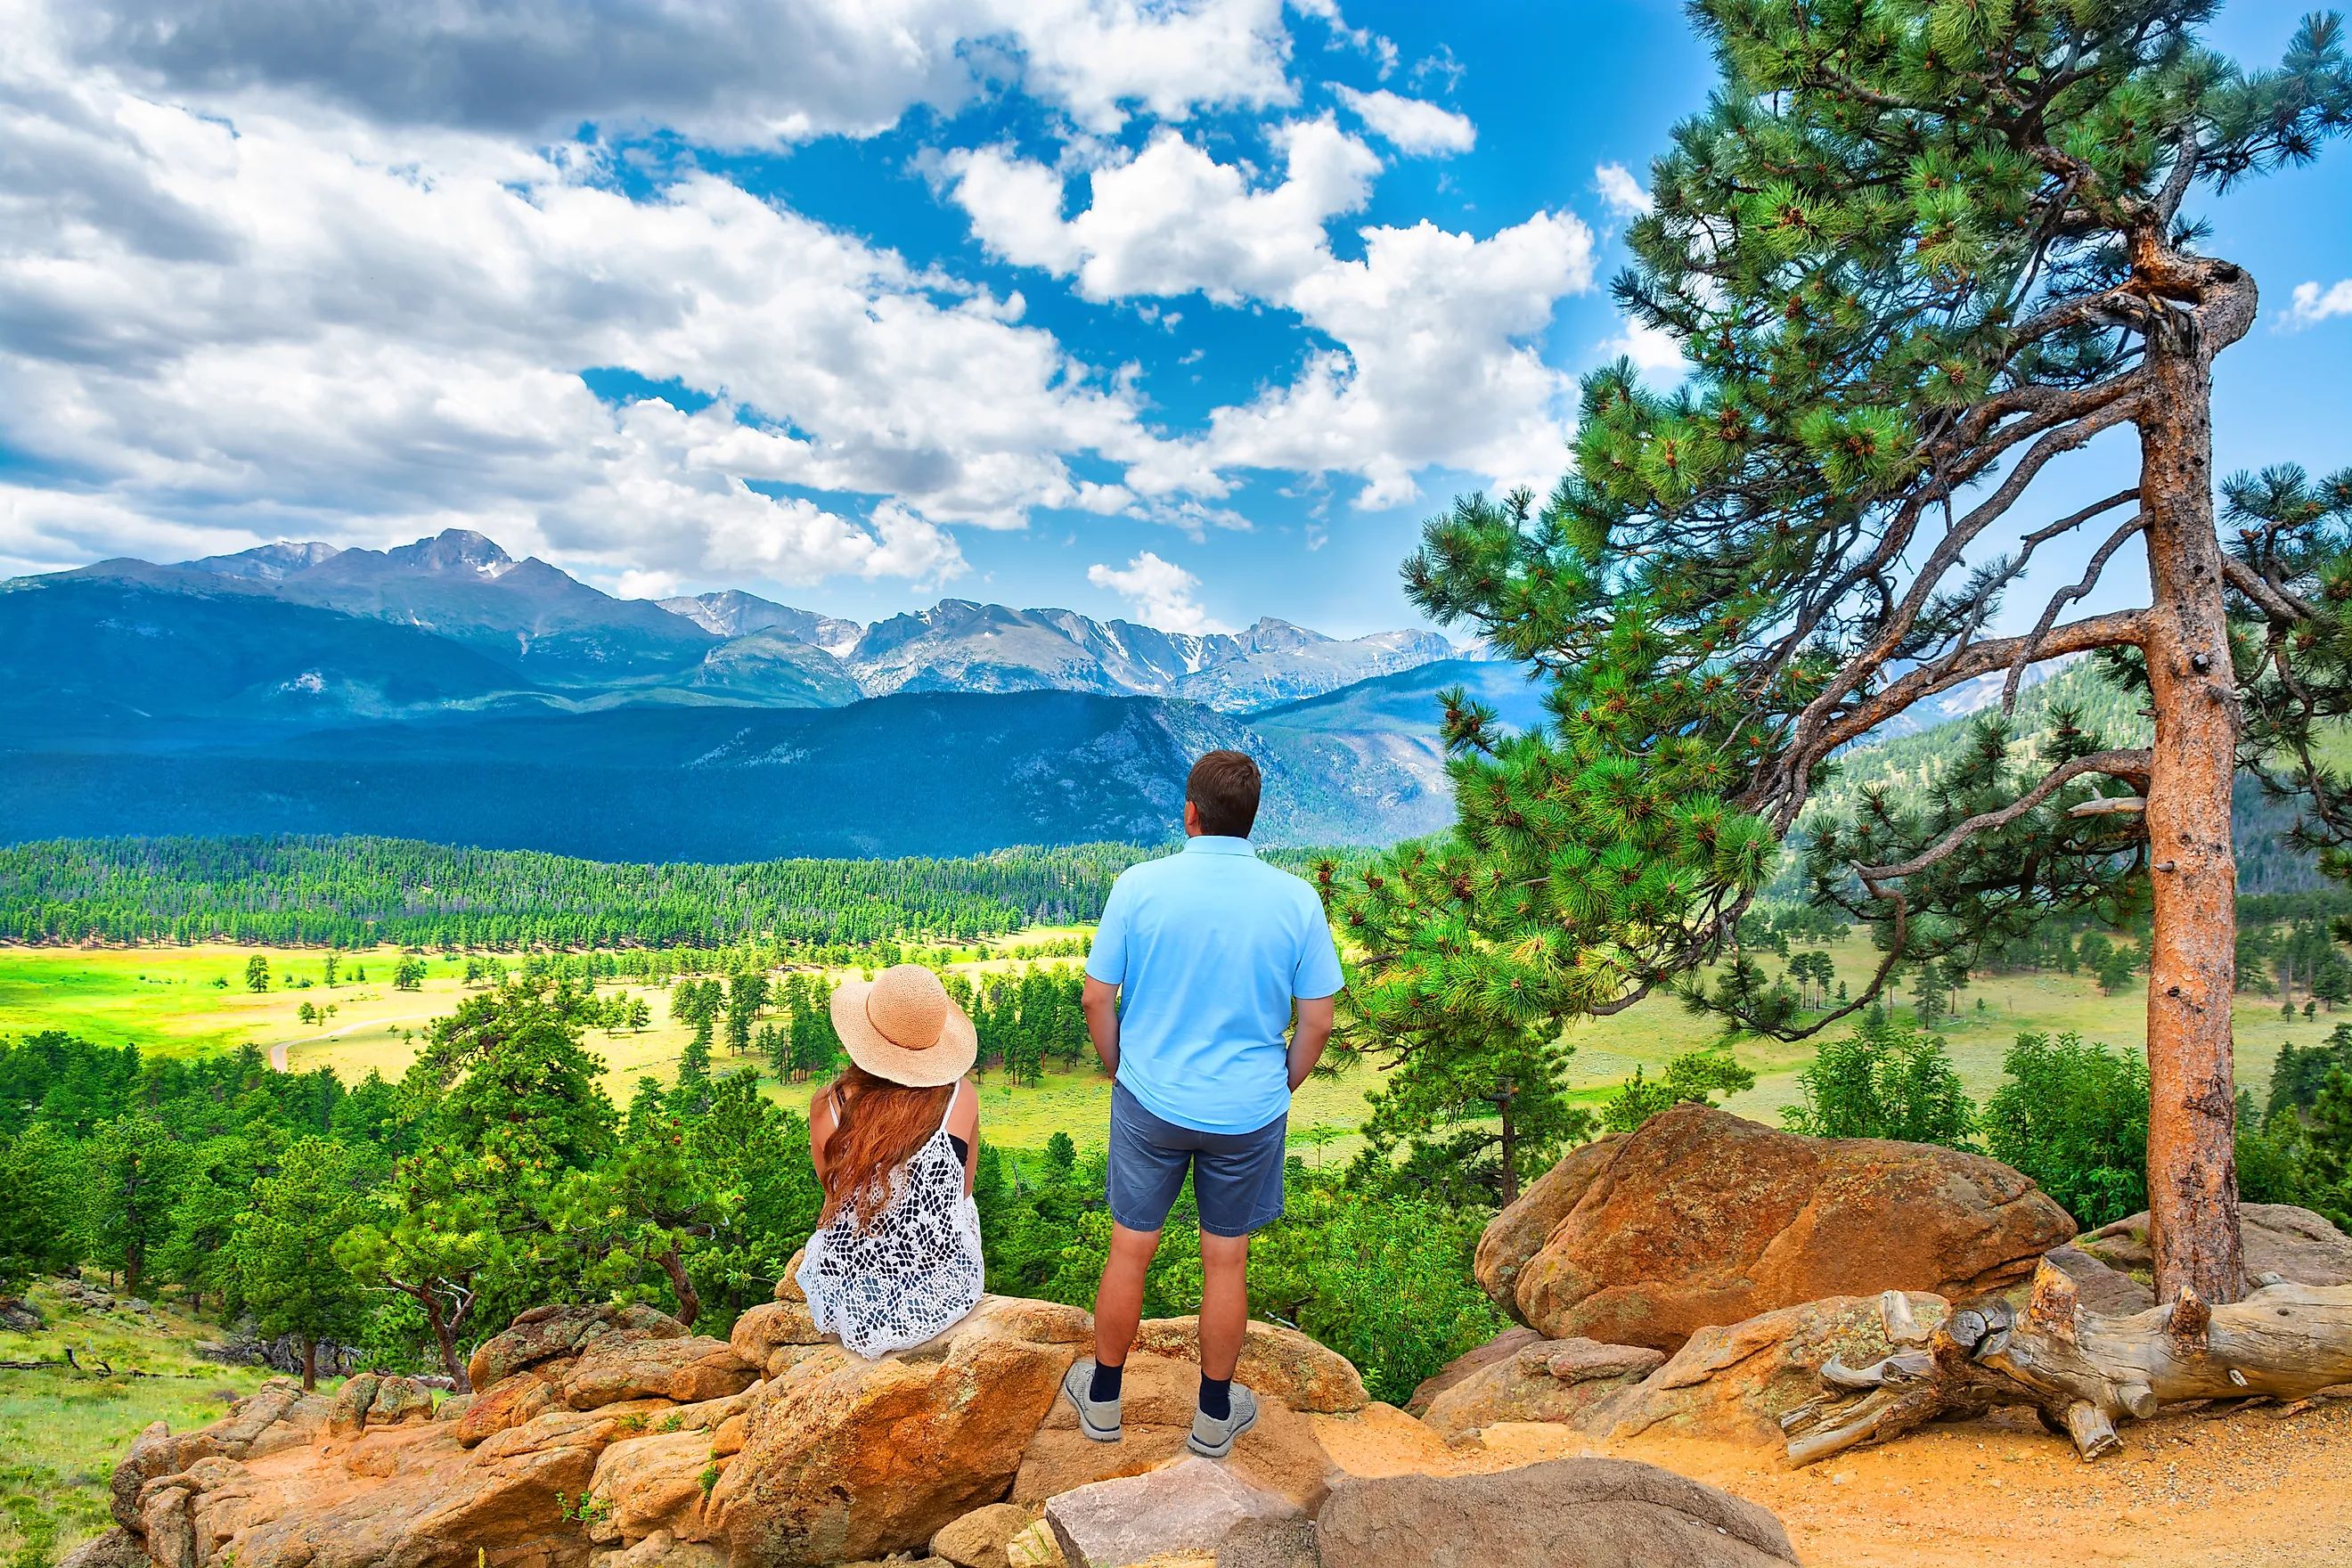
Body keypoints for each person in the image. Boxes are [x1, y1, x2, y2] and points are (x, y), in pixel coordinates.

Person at [1062, 749, 1343, 1458]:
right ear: (1252, 820)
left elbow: (1099, 996)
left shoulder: (1140, 885)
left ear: (1189, 813)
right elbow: (1318, 1020)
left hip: (1151, 1096)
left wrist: (1119, 1066)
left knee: (1132, 1247)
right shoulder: (1296, 899)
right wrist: (1282, 1085)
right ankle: (1214, 1417)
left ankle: (1102, 1401)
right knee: (1227, 1261)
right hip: (1248, 1109)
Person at [796, 963, 984, 1359]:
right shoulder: (961, 1099)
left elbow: (832, 1193)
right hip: (937, 1289)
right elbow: (962, 1194)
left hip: (846, 1287)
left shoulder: (826, 1107)